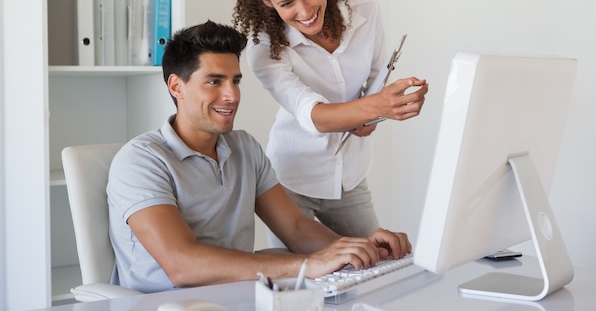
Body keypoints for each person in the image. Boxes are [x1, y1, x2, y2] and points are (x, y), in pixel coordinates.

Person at [106, 19, 411, 293]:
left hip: (233, 296)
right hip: (163, 304)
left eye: (235, 81)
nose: (232, 95)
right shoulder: (140, 161)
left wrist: (359, 247)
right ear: (177, 86)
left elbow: (295, 228)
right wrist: (307, 265)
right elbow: (182, 264)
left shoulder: (243, 148)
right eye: (214, 81)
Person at [232, 0, 429, 242]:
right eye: (287, 3)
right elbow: (310, 113)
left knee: (374, 262)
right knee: (301, 276)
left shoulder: (366, 10)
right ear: (267, 2)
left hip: (350, 174)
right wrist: (374, 108)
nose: (305, 11)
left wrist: (375, 113)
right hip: (292, 180)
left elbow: (377, 76)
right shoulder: (264, 48)